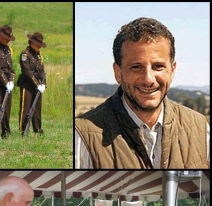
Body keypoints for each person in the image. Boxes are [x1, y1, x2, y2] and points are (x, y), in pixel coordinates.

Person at [75, 17, 210, 169]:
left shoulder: (200, 129)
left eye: (158, 66)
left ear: (172, 70)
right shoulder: (83, 137)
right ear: (118, 73)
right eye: (136, 67)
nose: (148, 79)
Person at [17, 32, 46, 135]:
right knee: (26, 107)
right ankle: (23, 128)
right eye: (37, 44)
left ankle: (37, 128)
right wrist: (37, 84)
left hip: (38, 85)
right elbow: (27, 71)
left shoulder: (38, 55)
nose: (39, 47)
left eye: (40, 45)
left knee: (37, 108)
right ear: (32, 42)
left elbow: (42, 70)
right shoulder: (25, 54)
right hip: (27, 84)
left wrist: (43, 83)